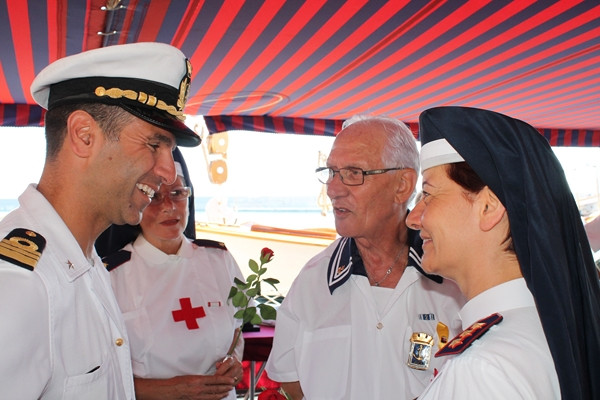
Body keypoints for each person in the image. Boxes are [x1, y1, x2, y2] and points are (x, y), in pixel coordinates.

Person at [0, 42, 203, 399]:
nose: (169, 172)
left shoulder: (87, 264)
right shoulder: (20, 285)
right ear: (84, 135)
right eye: (154, 145)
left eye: (170, 151)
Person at [265, 115, 465, 400]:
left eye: (354, 173)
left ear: (403, 185)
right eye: (331, 172)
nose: (333, 189)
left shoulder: (455, 280)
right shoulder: (312, 281)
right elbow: (289, 379)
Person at [406, 106, 600, 399]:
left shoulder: (484, 368)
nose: (412, 218)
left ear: (489, 207)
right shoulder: (543, 333)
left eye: (429, 194)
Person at [103, 161, 244, 400]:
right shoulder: (112, 276)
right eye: (154, 196)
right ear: (134, 203)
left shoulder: (219, 259)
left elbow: (237, 328)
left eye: (178, 193)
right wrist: (174, 390)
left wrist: (235, 361)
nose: (169, 206)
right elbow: (102, 377)